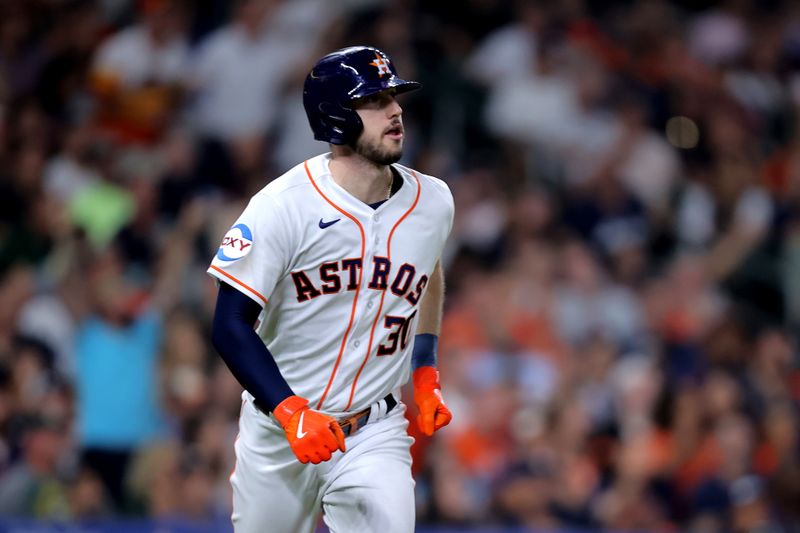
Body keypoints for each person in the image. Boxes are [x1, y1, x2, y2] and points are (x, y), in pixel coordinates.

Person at [208, 46, 454, 533]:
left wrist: (423, 370)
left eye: (394, 97)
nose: (395, 110)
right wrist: (291, 411)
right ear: (338, 117)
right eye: (376, 100)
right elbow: (228, 325)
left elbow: (429, 273)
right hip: (279, 432)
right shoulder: (282, 206)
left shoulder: (433, 200)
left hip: (374, 430)